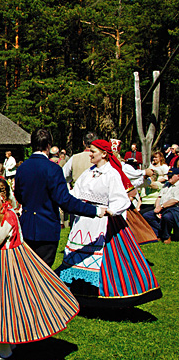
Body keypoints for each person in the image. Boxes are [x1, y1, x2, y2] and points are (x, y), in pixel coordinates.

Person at [0, 179, 80, 360]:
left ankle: (4, 352)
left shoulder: (8, 216)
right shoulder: (0, 213)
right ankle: (10, 342)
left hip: (8, 263)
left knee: (3, 305)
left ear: (1, 196)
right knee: (7, 304)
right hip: (3, 261)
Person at [56, 139, 162, 307]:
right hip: (83, 222)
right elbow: (76, 193)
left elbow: (121, 199)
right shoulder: (88, 172)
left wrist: (111, 211)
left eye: (93, 151)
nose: (90, 154)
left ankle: (103, 296)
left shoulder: (111, 174)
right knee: (77, 257)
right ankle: (76, 293)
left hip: (102, 223)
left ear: (104, 154)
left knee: (104, 261)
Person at [15, 128, 101, 267]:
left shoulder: (23, 168)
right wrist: (94, 210)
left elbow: (19, 195)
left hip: (27, 227)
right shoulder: (53, 169)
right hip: (47, 228)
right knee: (44, 273)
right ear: (49, 145)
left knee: (27, 272)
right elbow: (65, 201)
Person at [142, 166, 179, 243]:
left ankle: (166, 236)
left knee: (167, 217)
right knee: (147, 216)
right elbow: (159, 197)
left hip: (174, 209)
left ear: (178, 176)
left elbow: (175, 200)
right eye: (168, 176)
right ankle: (159, 234)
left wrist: (161, 207)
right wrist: (157, 208)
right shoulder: (166, 184)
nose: (169, 178)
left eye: (171, 176)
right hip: (162, 208)